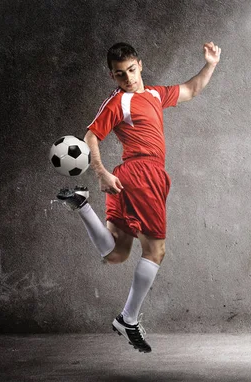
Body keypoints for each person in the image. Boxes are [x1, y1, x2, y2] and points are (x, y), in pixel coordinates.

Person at [57, 41, 221, 353]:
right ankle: (128, 318)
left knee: (116, 254)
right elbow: (91, 136)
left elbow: (192, 89)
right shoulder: (118, 102)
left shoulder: (156, 95)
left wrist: (210, 63)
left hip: (128, 178)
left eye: (131, 70)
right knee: (155, 251)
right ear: (112, 76)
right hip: (142, 174)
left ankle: (82, 205)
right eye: (120, 75)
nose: (128, 78)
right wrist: (102, 173)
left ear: (140, 65)